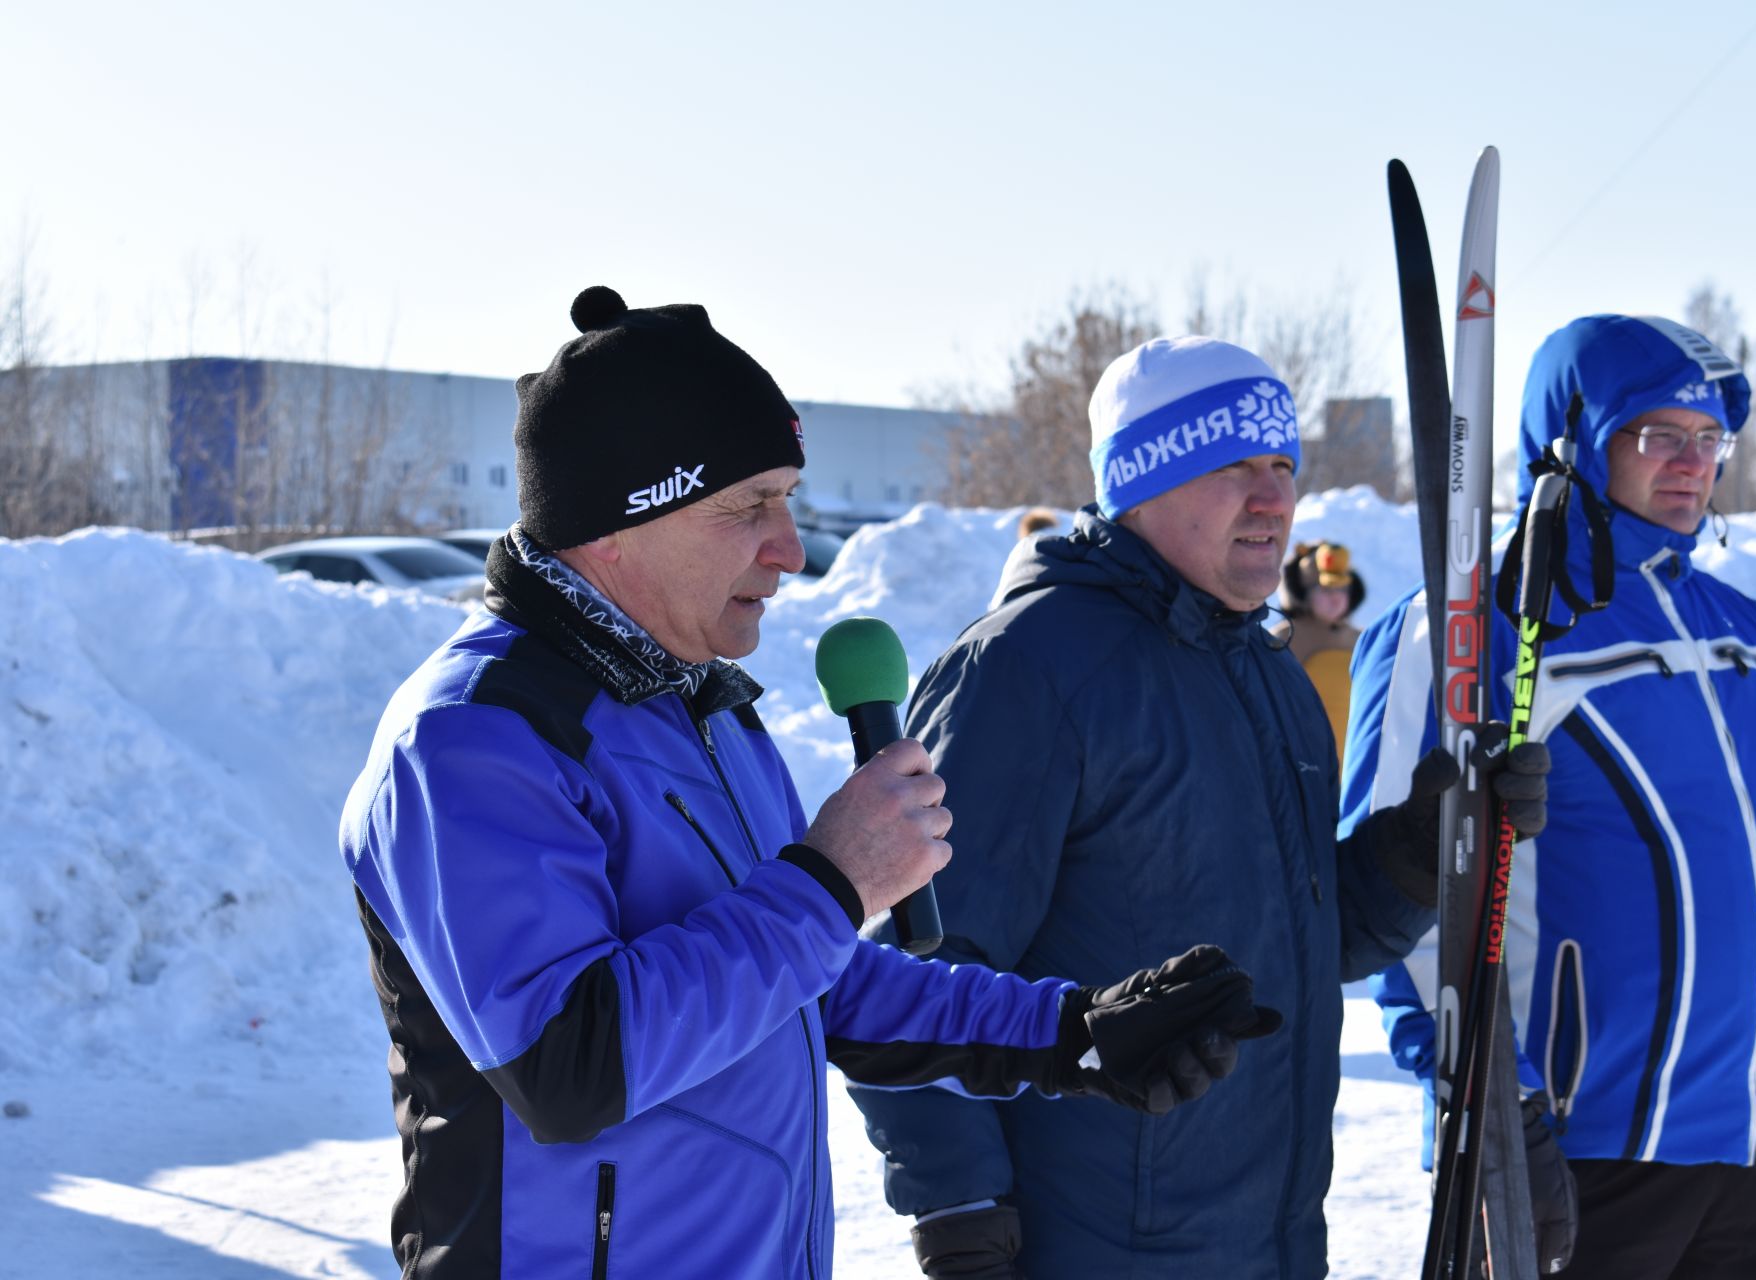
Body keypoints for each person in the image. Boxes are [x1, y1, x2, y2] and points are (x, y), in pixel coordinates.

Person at [338, 289, 1282, 1279]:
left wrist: (1069, 1032)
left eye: (789, 498)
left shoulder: (701, 706)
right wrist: (833, 879)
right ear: (617, 521)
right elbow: (566, 1065)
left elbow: (812, 975)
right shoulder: (473, 738)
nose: (790, 547)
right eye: (750, 506)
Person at [848, 335, 1550, 1278]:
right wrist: (962, 1217)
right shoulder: (1031, 669)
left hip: (1273, 1240)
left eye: (1282, 465)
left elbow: (1299, 940)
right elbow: (919, 970)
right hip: (1094, 1250)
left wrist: (1416, 853)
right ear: (1139, 484)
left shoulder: (1267, 671)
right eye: (1230, 465)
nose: (1273, 498)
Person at [1352, 315, 1756, 1279]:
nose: (1693, 462)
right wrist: (1493, 1109)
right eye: (1658, 434)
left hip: (1755, 1152)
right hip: (1575, 1148)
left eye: (1709, 438)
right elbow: (1407, 906)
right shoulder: (1471, 627)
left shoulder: (1740, 630)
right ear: (1577, 438)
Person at [1275, 540, 1366, 766]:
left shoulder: (1361, 640)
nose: (1336, 598)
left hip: (1350, 764)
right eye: (1325, 590)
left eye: (1342, 589)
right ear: (1303, 592)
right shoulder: (1282, 640)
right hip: (1299, 766)